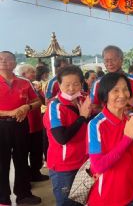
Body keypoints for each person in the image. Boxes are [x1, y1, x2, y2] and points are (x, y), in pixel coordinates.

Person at [87, 73, 133, 205]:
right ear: (105, 94)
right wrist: (127, 138)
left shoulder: (129, 120)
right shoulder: (96, 125)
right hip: (108, 197)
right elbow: (98, 166)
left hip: (131, 192)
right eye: (115, 90)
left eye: (125, 89)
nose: (122, 95)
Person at [43, 65, 91, 206]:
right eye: (67, 84)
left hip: (83, 162)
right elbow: (61, 138)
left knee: (82, 200)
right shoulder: (55, 107)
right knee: (67, 203)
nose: (71, 88)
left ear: (82, 84)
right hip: (64, 167)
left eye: (76, 84)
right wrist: (82, 117)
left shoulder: (83, 100)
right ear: (59, 85)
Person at [0, 51, 42, 205]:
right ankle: (3, 198)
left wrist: (27, 107)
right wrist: (8, 112)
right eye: (1, 59)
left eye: (8, 59)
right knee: (2, 162)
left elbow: (38, 101)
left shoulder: (24, 82)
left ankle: (23, 194)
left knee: (22, 159)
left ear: (14, 63)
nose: (4, 61)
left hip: (20, 124)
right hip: (1, 126)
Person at [17, 64, 49, 182]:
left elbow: (43, 102)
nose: (34, 74)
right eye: (31, 72)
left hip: (36, 123)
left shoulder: (35, 86)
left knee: (37, 150)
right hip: (26, 124)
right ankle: (26, 176)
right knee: (24, 152)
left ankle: (35, 172)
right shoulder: (20, 87)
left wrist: (39, 91)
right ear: (23, 74)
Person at [90, 45, 133, 114]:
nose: (109, 63)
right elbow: (94, 107)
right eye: (106, 60)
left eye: (113, 60)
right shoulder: (98, 83)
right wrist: (115, 113)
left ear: (121, 60)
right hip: (109, 123)